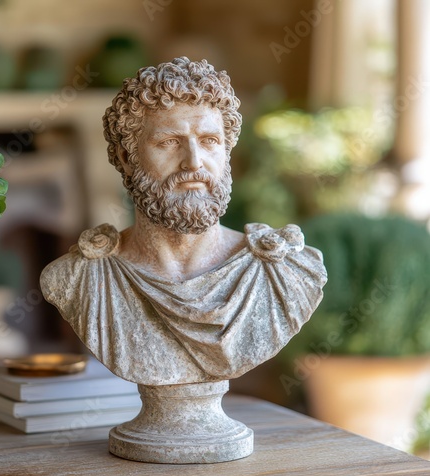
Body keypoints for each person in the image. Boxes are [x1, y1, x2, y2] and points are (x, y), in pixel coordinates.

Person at [40, 57, 327, 386]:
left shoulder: (285, 271)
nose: (193, 162)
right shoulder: (79, 277)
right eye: (169, 143)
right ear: (126, 159)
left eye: (209, 141)